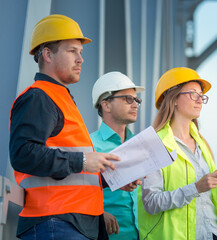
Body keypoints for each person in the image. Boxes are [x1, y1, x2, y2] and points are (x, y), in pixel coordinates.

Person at [9, 14, 135, 240]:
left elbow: (73, 174)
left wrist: (110, 180)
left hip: (72, 222)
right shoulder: (39, 97)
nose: (81, 59)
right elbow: (23, 154)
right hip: (56, 221)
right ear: (47, 54)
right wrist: (85, 161)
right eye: (72, 51)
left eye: (81, 52)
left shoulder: (61, 99)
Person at [138, 67, 217, 240]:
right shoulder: (154, 145)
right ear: (173, 98)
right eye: (193, 94)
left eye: (202, 96)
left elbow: (211, 199)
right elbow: (151, 203)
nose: (200, 100)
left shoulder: (202, 144)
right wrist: (196, 188)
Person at [90, 72, 145, 239]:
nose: (135, 104)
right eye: (128, 99)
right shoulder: (88, 146)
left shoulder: (142, 145)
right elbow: (75, 190)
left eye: (137, 100)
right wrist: (97, 214)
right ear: (106, 105)